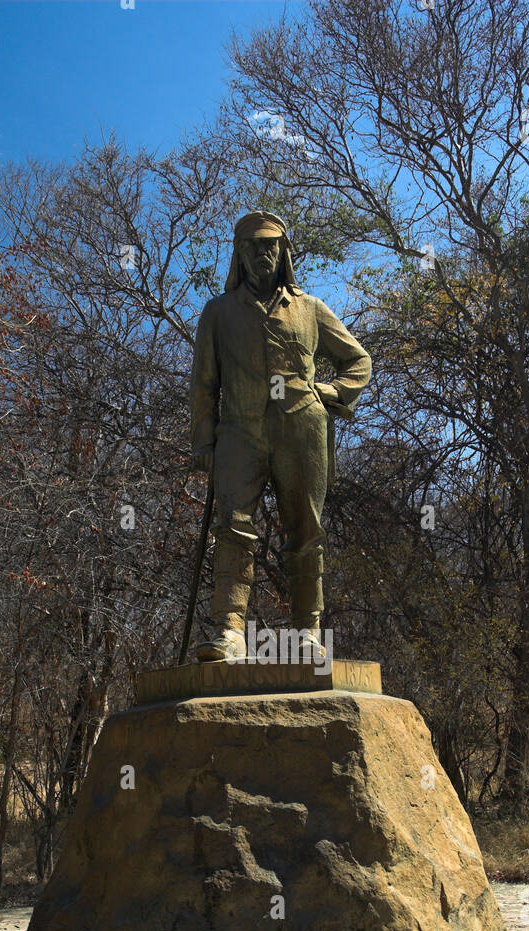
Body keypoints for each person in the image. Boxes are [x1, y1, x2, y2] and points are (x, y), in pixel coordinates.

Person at [189, 210, 371, 661]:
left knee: (306, 529)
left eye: (269, 245)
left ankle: (308, 632)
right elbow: (203, 384)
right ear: (239, 255)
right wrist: (203, 441)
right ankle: (230, 631)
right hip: (239, 433)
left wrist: (331, 392)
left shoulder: (310, 309)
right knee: (232, 528)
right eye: (251, 246)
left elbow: (358, 361)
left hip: (302, 429)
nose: (261, 253)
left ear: (284, 251)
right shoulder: (218, 312)